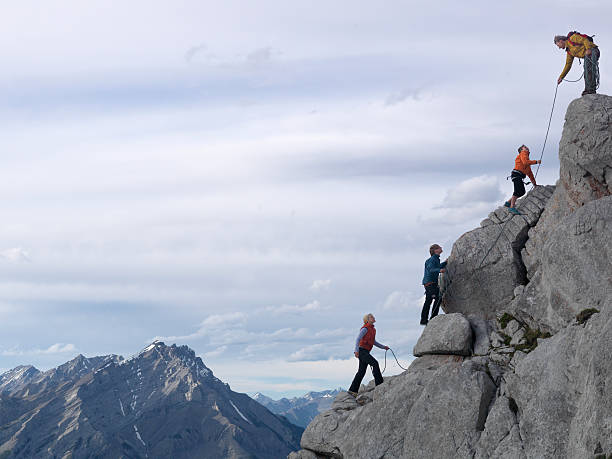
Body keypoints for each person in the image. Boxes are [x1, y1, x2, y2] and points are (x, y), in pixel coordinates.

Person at [347, 313, 389, 397]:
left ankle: (352, 390)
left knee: (361, 371)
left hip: (365, 351)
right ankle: (379, 384)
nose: (373, 317)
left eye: (373, 316)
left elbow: (373, 342)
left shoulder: (373, 330)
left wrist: (383, 347)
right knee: (374, 363)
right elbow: (358, 339)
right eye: (371, 317)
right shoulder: (365, 329)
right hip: (362, 351)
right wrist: (356, 350)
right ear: (367, 320)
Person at [504, 145, 541, 215]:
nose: (526, 148)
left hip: (517, 175)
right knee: (518, 191)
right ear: (521, 150)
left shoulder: (527, 162)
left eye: (526, 147)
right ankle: (512, 207)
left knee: (522, 192)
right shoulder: (523, 153)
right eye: (524, 147)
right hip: (516, 175)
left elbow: (530, 174)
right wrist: (536, 162)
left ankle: (508, 203)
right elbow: (525, 162)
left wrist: (535, 184)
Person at [420, 244, 447, 325]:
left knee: (429, 301)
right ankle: (433, 318)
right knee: (438, 298)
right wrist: (440, 270)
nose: (441, 248)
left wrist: (445, 263)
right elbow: (431, 269)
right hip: (430, 283)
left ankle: (424, 320)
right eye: (439, 248)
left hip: (429, 283)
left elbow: (437, 266)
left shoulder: (435, 259)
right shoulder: (433, 259)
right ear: (435, 250)